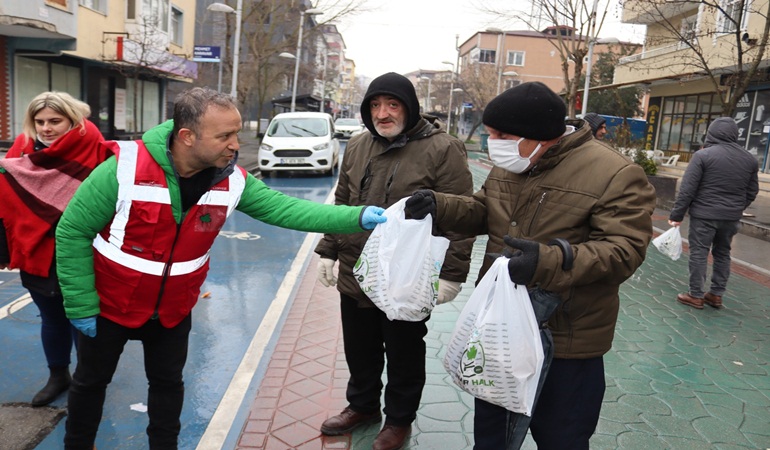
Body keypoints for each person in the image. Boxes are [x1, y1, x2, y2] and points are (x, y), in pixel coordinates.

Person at [55, 87, 387, 449]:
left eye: (237, 133)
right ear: (187, 136)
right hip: (108, 304)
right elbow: (73, 231)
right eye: (224, 136)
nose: (235, 144)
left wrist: (357, 217)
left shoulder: (232, 179)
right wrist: (81, 303)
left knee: (168, 386)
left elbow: (289, 210)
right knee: (90, 384)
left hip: (172, 309)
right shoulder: (124, 167)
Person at [404, 82, 656, 449]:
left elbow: (624, 250)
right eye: (490, 134)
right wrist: (440, 207)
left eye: (501, 135)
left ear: (539, 134)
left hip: (567, 337)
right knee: (491, 437)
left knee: (562, 438)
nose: (494, 143)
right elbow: (484, 210)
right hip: (501, 331)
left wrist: (547, 262)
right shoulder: (512, 164)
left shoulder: (614, 174)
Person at [314, 72, 474, 450]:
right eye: (374, 106)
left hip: (407, 275)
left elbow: (463, 214)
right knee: (360, 347)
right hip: (357, 268)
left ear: (409, 107)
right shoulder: (357, 145)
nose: (382, 114)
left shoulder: (443, 149)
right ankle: (363, 406)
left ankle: (399, 419)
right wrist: (328, 249)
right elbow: (343, 202)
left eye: (392, 105)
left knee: (403, 352)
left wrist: (452, 274)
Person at [0, 91, 108, 406]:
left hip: (82, 252)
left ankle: (88, 382)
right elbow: (7, 200)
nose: (46, 128)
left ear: (73, 120)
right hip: (35, 250)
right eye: (40, 121)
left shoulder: (97, 149)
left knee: (82, 317)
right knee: (51, 317)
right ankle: (58, 376)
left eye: (55, 121)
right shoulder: (23, 147)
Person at [669, 117, 759, 310]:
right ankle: (716, 295)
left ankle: (696, 295)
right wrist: (737, 207)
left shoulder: (703, 156)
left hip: (704, 215)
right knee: (723, 253)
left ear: (711, 133)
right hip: (731, 218)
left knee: (699, 253)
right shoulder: (749, 159)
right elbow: (752, 191)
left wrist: (677, 214)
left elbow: (687, 189)